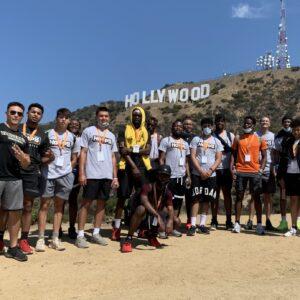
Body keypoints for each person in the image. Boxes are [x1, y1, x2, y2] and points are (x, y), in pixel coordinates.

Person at [36, 108, 80, 252]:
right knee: (44, 205)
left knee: (59, 206)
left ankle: (55, 238)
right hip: (48, 174)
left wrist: (68, 169)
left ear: (69, 120)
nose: (63, 120)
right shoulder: (47, 134)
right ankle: (41, 238)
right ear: (56, 118)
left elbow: (75, 157)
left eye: (66, 117)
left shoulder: (73, 137)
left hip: (65, 175)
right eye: (60, 117)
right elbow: (40, 153)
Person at [76, 107, 119, 248]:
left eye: (106, 116)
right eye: (101, 116)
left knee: (102, 204)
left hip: (106, 175)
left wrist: (115, 177)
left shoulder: (111, 136)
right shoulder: (88, 131)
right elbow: (83, 152)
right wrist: (82, 173)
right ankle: (81, 235)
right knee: (86, 204)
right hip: (91, 174)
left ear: (109, 118)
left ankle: (96, 233)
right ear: (96, 117)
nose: (104, 118)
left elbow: (113, 157)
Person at [112, 106, 151, 241]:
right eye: (134, 115)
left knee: (142, 198)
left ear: (143, 117)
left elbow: (148, 151)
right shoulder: (124, 129)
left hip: (143, 166)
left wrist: (133, 151)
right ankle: (116, 229)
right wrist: (133, 165)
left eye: (139, 115)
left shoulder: (146, 131)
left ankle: (139, 228)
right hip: (126, 166)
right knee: (122, 198)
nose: (137, 117)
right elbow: (123, 151)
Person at [19, 103, 54, 254]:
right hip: (12, 171)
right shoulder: (18, 128)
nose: (35, 114)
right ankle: (1, 238)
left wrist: (43, 161)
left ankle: (24, 240)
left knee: (27, 206)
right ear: (27, 113)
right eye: (33, 112)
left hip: (32, 173)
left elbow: (48, 156)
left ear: (41, 116)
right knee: (6, 206)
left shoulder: (43, 135)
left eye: (38, 113)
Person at [0, 102, 31, 261]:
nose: (16, 116)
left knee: (15, 213)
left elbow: (26, 162)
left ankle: (13, 248)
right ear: (6, 113)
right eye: (13, 112)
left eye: (19, 113)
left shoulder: (23, 138)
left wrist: (23, 159)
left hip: (14, 179)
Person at [121, 165, 174, 253]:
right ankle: (128, 239)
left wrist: (170, 221)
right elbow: (144, 202)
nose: (163, 178)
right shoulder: (148, 186)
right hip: (136, 216)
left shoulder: (167, 192)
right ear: (157, 175)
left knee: (173, 218)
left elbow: (171, 208)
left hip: (151, 217)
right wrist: (158, 217)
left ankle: (151, 236)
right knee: (141, 209)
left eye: (166, 176)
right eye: (162, 175)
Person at [230, 116, 267, 235]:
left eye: (249, 124)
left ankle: (259, 224)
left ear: (253, 125)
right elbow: (233, 154)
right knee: (239, 196)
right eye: (245, 123)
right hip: (241, 171)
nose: (247, 125)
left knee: (256, 197)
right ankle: (237, 223)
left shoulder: (260, 139)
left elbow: (265, 156)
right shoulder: (237, 138)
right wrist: (233, 168)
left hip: (255, 172)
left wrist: (261, 169)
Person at [187, 118, 223, 236]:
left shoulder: (216, 141)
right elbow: (192, 156)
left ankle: (202, 224)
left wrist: (210, 170)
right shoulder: (196, 139)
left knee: (207, 199)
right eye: (204, 125)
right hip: (197, 174)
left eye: (209, 125)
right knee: (195, 198)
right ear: (201, 127)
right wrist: (200, 171)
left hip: (211, 175)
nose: (207, 128)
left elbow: (218, 158)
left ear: (212, 127)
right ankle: (192, 225)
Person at [159, 120, 191, 237]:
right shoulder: (166, 140)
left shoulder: (186, 143)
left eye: (180, 126)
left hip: (181, 177)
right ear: (172, 127)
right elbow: (161, 159)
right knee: (164, 203)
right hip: (169, 177)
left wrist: (188, 176)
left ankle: (172, 228)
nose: (178, 128)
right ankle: (161, 228)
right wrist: (162, 175)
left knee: (177, 203)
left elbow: (186, 162)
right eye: (176, 126)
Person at [246, 117, 276, 231]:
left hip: (269, 169)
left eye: (267, 121)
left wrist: (274, 167)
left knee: (268, 197)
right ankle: (250, 220)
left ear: (270, 123)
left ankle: (268, 221)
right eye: (263, 121)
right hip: (255, 169)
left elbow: (274, 153)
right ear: (260, 123)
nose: (264, 122)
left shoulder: (273, 136)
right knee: (254, 196)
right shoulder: (254, 135)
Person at [211, 114, 235, 230]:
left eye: (222, 121)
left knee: (227, 195)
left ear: (225, 122)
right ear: (215, 122)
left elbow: (234, 153)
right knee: (214, 196)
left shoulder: (230, 136)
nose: (219, 123)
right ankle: (214, 220)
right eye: (217, 121)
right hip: (214, 169)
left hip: (226, 169)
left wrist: (233, 168)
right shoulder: (210, 136)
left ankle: (228, 220)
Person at [278, 118, 300, 236]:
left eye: (298, 130)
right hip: (290, 175)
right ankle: (293, 227)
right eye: (294, 130)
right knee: (293, 200)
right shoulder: (288, 142)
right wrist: (280, 176)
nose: (296, 132)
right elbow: (282, 160)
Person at [274, 116, 293, 232]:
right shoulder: (279, 135)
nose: (287, 123)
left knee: (295, 195)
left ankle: (298, 222)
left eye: (289, 122)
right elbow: (276, 153)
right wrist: (276, 167)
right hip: (282, 166)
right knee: (283, 193)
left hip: (295, 166)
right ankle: (283, 221)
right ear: (282, 123)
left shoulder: (296, 134)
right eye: (285, 122)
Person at [67, 118, 82, 239]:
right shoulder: (63, 136)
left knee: (73, 200)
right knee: (59, 201)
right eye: (72, 124)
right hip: (62, 171)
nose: (74, 126)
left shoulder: (82, 139)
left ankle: (72, 227)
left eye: (76, 124)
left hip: (77, 171)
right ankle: (58, 228)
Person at [182, 117, 196, 229]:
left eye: (190, 124)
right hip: (178, 170)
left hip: (192, 170)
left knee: (190, 197)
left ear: (192, 126)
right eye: (185, 124)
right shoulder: (178, 136)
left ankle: (190, 219)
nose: (188, 126)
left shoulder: (196, 138)